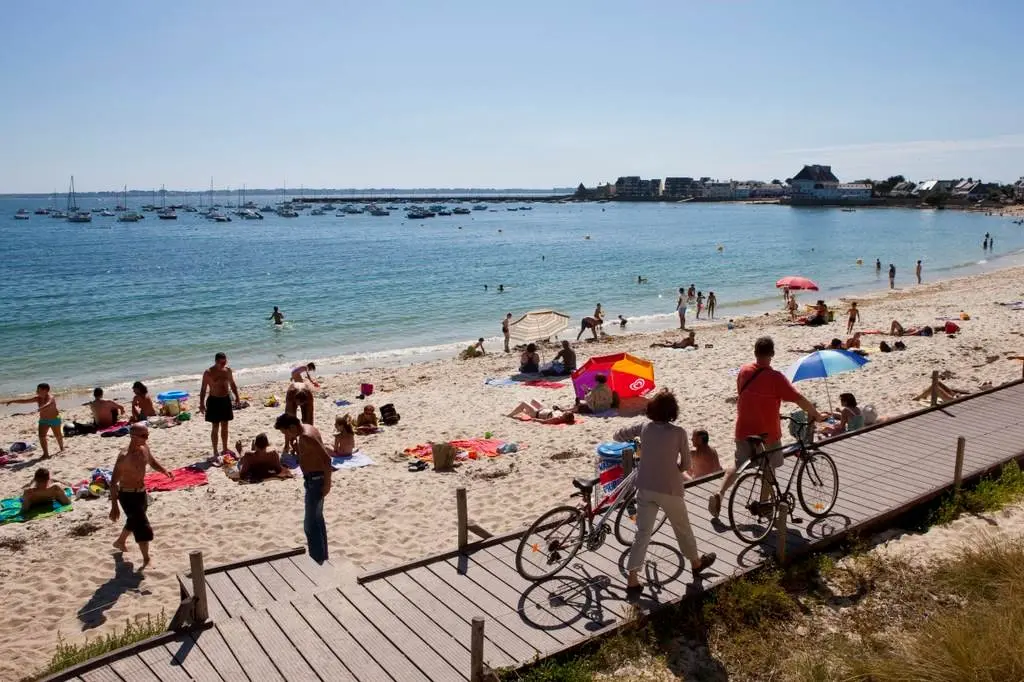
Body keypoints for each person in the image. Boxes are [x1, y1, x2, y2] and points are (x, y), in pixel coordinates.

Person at [612, 390, 717, 594]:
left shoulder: (644, 427)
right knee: (682, 528)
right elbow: (686, 464)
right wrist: (672, 469)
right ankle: (696, 564)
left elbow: (617, 435)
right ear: (672, 412)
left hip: (645, 486)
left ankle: (632, 578)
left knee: (642, 533)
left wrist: (637, 444)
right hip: (669, 488)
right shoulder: (678, 433)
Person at [708, 336, 824, 518]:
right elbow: (798, 399)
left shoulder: (744, 371)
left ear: (755, 353)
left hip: (744, 428)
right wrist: (816, 414)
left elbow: (745, 394)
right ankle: (764, 506)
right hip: (767, 431)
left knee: (739, 464)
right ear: (772, 354)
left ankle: (720, 493)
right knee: (769, 468)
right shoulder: (776, 377)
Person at [109, 424, 174, 568]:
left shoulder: (145, 448)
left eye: (147, 435)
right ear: (133, 437)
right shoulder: (124, 457)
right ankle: (146, 559)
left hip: (141, 492)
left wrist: (164, 470)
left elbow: (151, 461)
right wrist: (114, 506)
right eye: (144, 436)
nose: (147, 438)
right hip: (127, 495)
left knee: (134, 520)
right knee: (142, 526)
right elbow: (113, 482)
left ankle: (120, 541)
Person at [274, 413, 332, 563]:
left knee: (310, 523)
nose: (286, 435)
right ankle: (322, 555)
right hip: (313, 479)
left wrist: (327, 484)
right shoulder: (307, 429)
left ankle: (316, 559)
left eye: (285, 432)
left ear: (292, 427)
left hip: (316, 480)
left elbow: (326, 459)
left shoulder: (306, 436)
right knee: (317, 519)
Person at [5, 383, 64, 459]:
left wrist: (39, 409)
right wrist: (13, 401)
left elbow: (48, 404)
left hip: (54, 419)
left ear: (45, 390)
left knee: (58, 435)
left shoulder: (50, 397)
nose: (37, 391)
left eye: (38, 390)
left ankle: (62, 448)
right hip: (43, 420)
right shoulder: (38, 398)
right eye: (37, 390)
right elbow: (25, 401)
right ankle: (45, 454)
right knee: (42, 437)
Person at [199, 353, 240, 459]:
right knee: (215, 426)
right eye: (222, 362)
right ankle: (215, 450)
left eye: (225, 361)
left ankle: (225, 448)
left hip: (225, 400)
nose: (224, 364)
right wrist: (201, 404)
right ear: (216, 361)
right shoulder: (208, 373)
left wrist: (237, 397)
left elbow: (232, 384)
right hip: (214, 401)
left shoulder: (228, 371)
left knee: (225, 425)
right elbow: (203, 388)